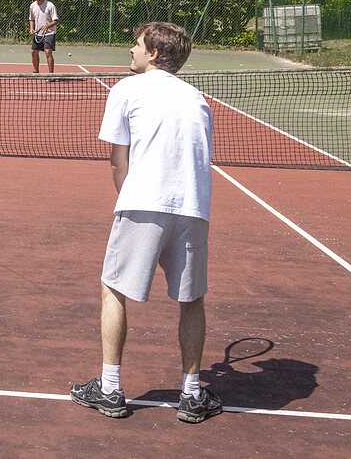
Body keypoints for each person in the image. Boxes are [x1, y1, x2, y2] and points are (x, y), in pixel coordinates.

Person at [70, 21, 223, 424]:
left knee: (113, 290)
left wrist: (129, 199)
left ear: (154, 53)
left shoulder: (125, 90)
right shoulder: (198, 99)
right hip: (193, 206)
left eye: (136, 45)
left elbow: (118, 162)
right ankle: (191, 396)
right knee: (192, 300)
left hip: (144, 204)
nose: (131, 51)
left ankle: (109, 389)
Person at [28, 0, 58, 74]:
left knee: (48, 52)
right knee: (34, 52)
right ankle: (36, 72)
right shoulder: (32, 6)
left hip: (49, 33)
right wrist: (31, 28)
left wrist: (47, 26)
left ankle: (51, 75)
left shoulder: (50, 5)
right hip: (38, 34)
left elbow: (56, 20)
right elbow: (31, 19)